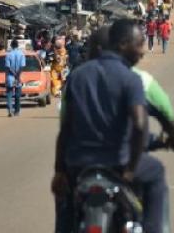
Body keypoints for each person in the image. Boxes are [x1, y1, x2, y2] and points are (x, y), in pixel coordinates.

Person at [52, 19, 149, 233]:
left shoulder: (78, 76)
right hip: (118, 164)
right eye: (139, 44)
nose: (142, 51)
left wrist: (59, 170)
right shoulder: (131, 80)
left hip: (77, 165)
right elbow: (140, 126)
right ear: (122, 45)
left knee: (64, 206)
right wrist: (131, 169)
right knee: (144, 195)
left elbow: (65, 129)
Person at [5, 39, 26, 117]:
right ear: (18, 45)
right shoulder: (21, 54)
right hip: (18, 77)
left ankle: (10, 110)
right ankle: (17, 111)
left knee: (9, 94)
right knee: (17, 94)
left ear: (11, 46)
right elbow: (22, 66)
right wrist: (17, 75)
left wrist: (12, 74)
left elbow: (8, 67)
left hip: (10, 77)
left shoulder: (8, 54)